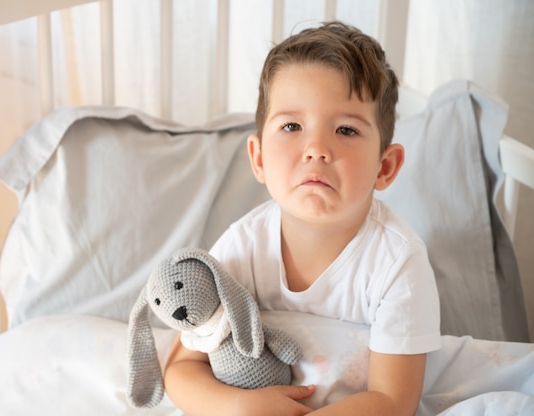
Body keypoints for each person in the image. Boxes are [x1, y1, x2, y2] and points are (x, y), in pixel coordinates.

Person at [164, 21, 441, 416]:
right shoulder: (243, 248)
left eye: (346, 129)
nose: (316, 149)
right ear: (258, 158)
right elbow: (180, 368)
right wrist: (240, 406)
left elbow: (392, 400)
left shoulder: (398, 261)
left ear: (386, 166)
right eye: (291, 126)